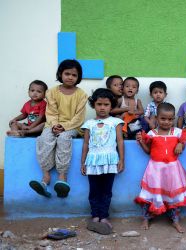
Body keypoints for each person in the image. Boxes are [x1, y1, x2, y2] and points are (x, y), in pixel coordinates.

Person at [29, 59, 87, 198]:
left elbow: (78, 118)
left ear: (78, 77)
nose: (70, 77)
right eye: (67, 73)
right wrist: (55, 125)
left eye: (74, 75)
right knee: (45, 138)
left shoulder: (82, 95)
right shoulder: (52, 92)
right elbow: (51, 112)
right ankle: (45, 178)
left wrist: (64, 127)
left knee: (64, 138)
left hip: (72, 126)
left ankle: (62, 177)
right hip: (52, 124)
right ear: (60, 74)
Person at [135, 103, 186, 233]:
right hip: (155, 169)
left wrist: (180, 144)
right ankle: (146, 218)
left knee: (174, 195)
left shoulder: (177, 132)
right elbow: (148, 151)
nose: (166, 122)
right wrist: (141, 143)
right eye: (163, 119)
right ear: (156, 118)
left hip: (173, 170)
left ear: (173, 119)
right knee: (149, 194)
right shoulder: (152, 133)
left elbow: (184, 140)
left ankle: (175, 220)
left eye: (170, 119)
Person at [81, 88, 124, 235]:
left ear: (111, 106)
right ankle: (95, 216)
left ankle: (104, 216)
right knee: (94, 191)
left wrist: (121, 160)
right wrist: (83, 163)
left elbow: (120, 141)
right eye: (99, 104)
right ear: (94, 105)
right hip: (92, 161)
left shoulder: (116, 122)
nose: (102, 107)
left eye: (106, 104)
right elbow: (85, 144)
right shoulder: (89, 124)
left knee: (106, 191)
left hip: (110, 160)